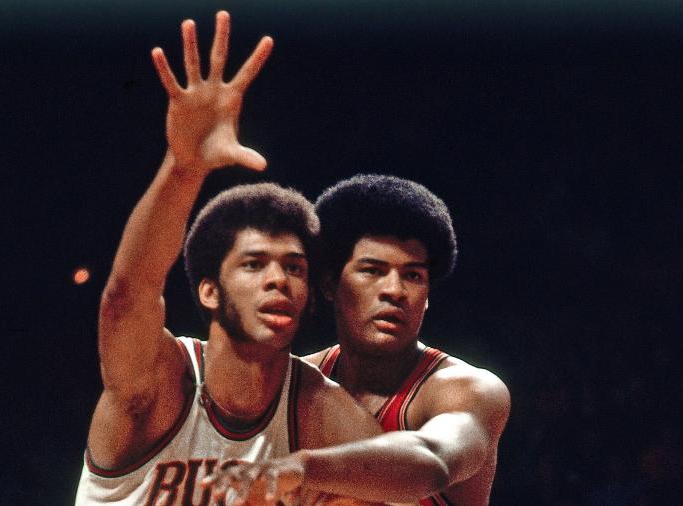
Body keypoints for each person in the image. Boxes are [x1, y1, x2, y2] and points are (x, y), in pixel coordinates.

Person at [75, 12, 447, 505]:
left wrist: (309, 473)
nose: (279, 280)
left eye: (294, 267)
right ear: (209, 290)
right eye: (254, 264)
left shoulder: (316, 411)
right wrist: (183, 168)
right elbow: (129, 293)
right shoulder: (162, 381)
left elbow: (423, 475)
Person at [302, 175, 512, 505]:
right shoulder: (297, 382)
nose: (396, 291)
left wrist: (298, 467)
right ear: (329, 284)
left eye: (413, 275)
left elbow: (431, 463)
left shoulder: (468, 390)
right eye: (372, 270)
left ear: (427, 297)